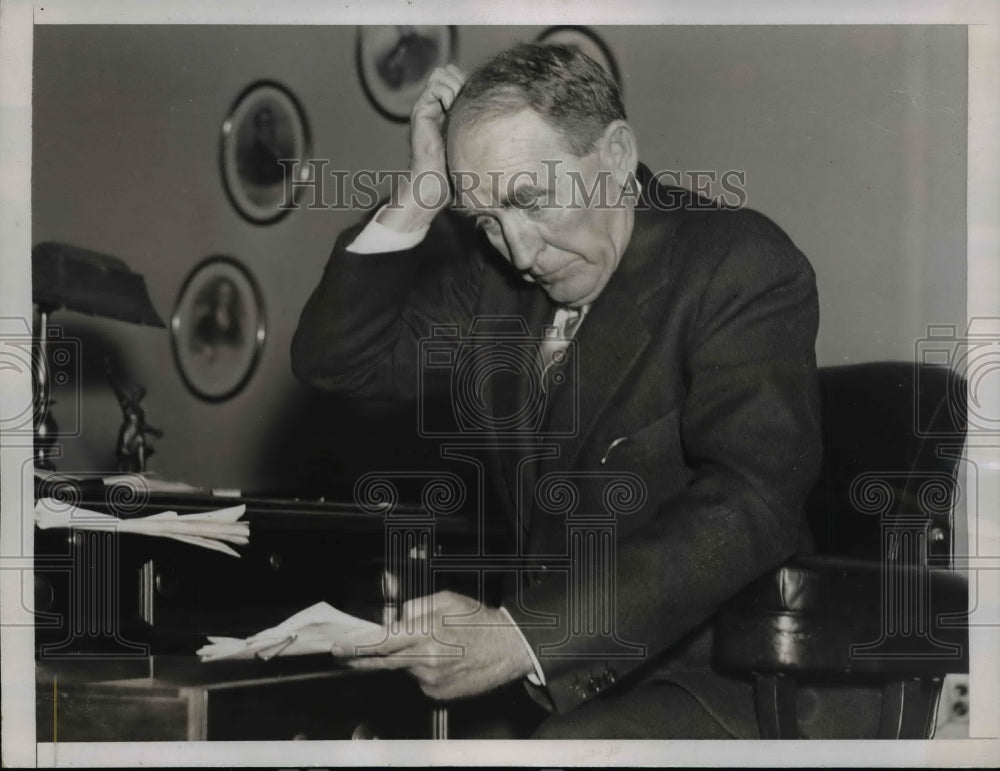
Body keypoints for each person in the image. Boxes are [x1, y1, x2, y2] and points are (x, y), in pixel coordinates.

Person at [291, 43, 822, 738]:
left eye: (531, 200)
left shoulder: (736, 262)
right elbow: (337, 361)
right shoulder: (497, 288)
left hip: (725, 682)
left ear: (617, 155)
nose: (517, 249)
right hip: (560, 683)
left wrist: (518, 636)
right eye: (487, 219)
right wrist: (421, 192)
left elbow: (751, 502)